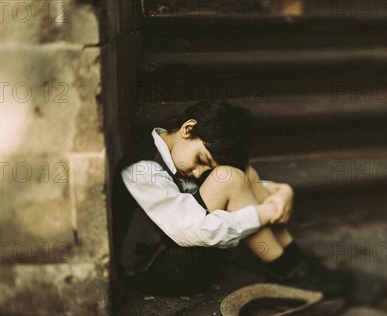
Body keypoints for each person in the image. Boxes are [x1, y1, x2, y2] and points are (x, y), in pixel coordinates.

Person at [114, 99, 353, 298]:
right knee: (228, 177)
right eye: (201, 160)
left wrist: (280, 192)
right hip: (158, 272)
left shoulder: (178, 153)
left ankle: (295, 262)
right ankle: (288, 270)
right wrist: (263, 214)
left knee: (244, 174)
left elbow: (243, 185)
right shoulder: (143, 169)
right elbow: (194, 230)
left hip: (181, 252)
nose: (198, 173)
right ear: (188, 129)